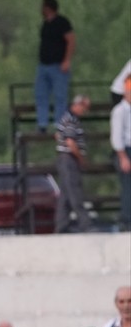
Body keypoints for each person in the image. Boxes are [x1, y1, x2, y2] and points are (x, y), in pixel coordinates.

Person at [55, 95, 94, 234]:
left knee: (65, 194)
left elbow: (58, 135)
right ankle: (85, 223)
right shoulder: (71, 120)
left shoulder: (65, 118)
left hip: (64, 159)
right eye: (84, 108)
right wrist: (80, 158)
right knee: (74, 191)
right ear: (78, 105)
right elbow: (70, 142)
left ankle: (61, 225)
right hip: (69, 159)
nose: (85, 111)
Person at [35, 0, 76, 132]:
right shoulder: (45, 24)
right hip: (44, 65)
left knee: (60, 97)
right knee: (41, 95)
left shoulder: (62, 22)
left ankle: (60, 125)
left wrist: (67, 60)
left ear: (48, 8)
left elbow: (71, 40)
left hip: (58, 66)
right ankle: (42, 124)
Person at [111, 77, 131, 231]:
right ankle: (126, 219)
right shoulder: (120, 111)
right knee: (127, 186)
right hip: (126, 150)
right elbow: (117, 136)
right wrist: (123, 157)